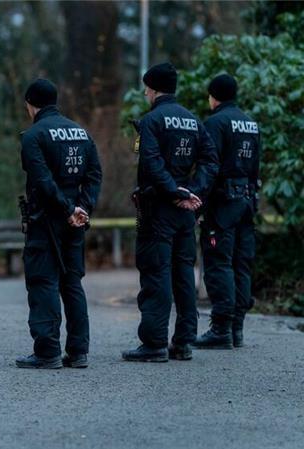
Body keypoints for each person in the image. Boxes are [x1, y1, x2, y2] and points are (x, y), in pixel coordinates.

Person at [122, 62, 219, 363]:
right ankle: (184, 342)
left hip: (159, 210)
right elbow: (210, 160)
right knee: (183, 276)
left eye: (146, 89)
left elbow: (150, 163)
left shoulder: (151, 121)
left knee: (156, 273)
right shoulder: (193, 120)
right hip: (185, 212)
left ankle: (153, 343)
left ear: (152, 89)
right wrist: (193, 193)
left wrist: (173, 192)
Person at [15, 79, 102, 370]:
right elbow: (94, 174)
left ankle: (47, 351)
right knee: (72, 283)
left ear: (31, 104)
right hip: (76, 220)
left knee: (43, 282)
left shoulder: (33, 136)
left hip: (47, 221)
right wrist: (83, 208)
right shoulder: (81, 132)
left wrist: (66, 209)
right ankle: (78, 352)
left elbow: (42, 181)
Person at [193, 74, 261, 350]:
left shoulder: (215, 123)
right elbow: (256, 167)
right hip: (246, 201)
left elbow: (209, 167)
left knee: (218, 262)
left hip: (222, 204)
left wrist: (199, 202)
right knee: (241, 264)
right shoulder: (251, 124)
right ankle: (237, 329)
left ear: (214, 96)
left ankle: (221, 329)